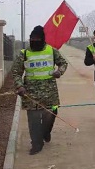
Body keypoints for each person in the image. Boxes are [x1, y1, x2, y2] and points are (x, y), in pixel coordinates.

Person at [12, 26, 68, 155]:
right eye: (32, 39)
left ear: (43, 39)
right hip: (31, 93)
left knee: (51, 113)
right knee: (34, 119)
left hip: (50, 91)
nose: (35, 41)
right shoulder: (24, 53)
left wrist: (59, 72)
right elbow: (16, 72)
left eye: (37, 38)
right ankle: (36, 143)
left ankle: (46, 132)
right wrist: (19, 85)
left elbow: (63, 63)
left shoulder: (52, 51)